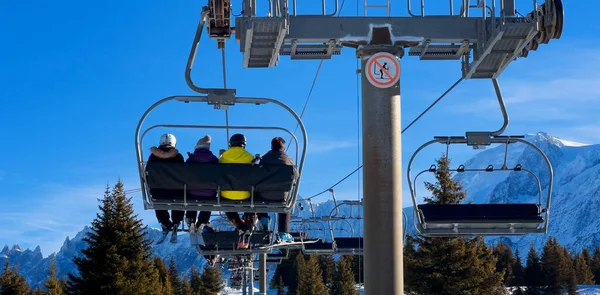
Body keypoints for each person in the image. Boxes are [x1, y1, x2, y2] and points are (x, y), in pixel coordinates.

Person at [219, 133, 258, 249]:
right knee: (252, 206)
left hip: (226, 194)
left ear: (230, 144)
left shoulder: (223, 158)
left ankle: (241, 227)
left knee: (227, 208)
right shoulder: (249, 157)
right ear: (244, 145)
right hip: (245, 194)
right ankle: (248, 226)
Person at [146, 133, 185, 244]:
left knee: (158, 200)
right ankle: (176, 222)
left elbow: (147, 173)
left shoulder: (153, 157)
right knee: (180, 198)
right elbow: (184, 174)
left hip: (157, 191)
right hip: (176, 191)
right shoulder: (178, 157)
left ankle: (165, 223)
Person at [257, 137, 298, 243]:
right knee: (287, 202)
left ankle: (263, 220)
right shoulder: (288, 160)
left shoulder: (264, 159)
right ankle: (283, 231)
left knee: (257, 196)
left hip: (264, 195)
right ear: (283, 148)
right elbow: (296, 176)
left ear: (271, 146)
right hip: (281, 196)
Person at [185, 135, 219, 245]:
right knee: (208, 202)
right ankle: (202, 223)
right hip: (209, 194)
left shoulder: (191, 160)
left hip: (192, 192)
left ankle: (191, 219)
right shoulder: (214, 160)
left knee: (191, 198)